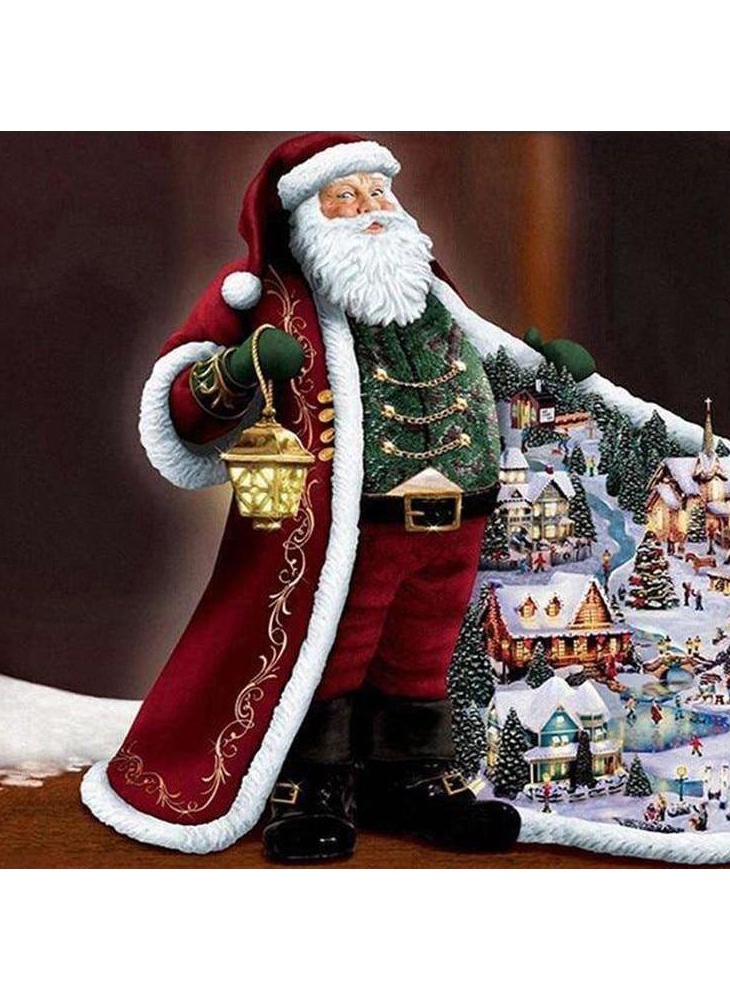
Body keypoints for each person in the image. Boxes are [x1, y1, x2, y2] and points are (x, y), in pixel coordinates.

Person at [80, 133, 595, 862]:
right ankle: (315, 788)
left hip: (457, 523)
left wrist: (543, 371)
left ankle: (409, 781)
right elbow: (181, 410)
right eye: (345, 197)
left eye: (378, 192)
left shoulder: (425, 289)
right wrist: (240, 367)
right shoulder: (267, 298)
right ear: (305, 216)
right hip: (350, 530)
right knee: (335, 655)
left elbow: (484, 356)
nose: (369, 208)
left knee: (423, 657)